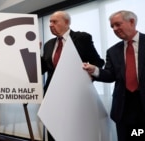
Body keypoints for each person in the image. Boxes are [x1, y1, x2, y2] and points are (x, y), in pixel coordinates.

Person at [83, 10, 145, 141]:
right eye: (112, 26)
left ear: (132, 22)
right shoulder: (113, 51)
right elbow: (110, 75)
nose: (115, 29)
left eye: (118, 24)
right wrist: (94, 70)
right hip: (124, 109)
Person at [41, 11, 104, 141]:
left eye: (55, 21)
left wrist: (89, 77)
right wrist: (34, 54)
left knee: (75, 133)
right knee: (53, 133)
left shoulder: (82, 38)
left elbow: (98, 62)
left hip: (76, 97)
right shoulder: (48, 45)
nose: (50, 25)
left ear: (67, 22)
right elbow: (43, 69)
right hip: (52, 97)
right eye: (50, 22)